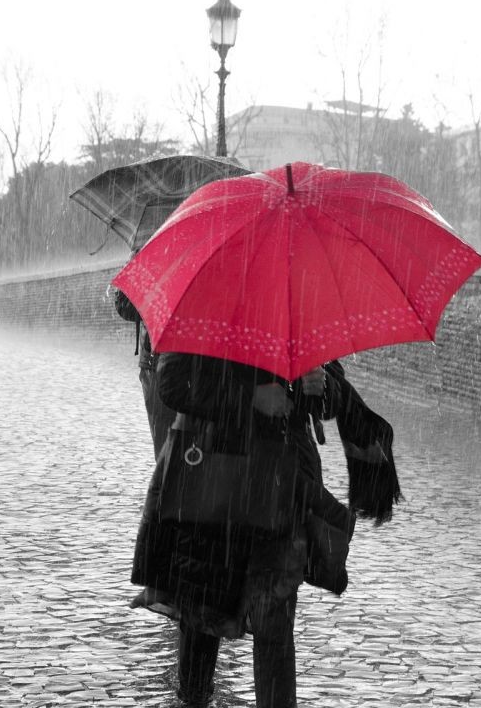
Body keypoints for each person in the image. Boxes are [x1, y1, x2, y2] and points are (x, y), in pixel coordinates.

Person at [130, 352, 400, 708]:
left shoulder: (298, 317)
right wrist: (250, 398)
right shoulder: (208, 323)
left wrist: (320, 387)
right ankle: (194, 698)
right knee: (203, 613)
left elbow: (330, 397)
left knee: (275, 619)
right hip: (216, 482)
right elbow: (173, 385)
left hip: (282, 486)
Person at [114, 288, 175, 458]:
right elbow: (126, 308)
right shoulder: (151, 275)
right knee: (163, 436)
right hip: (155, 363)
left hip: (196, 362)